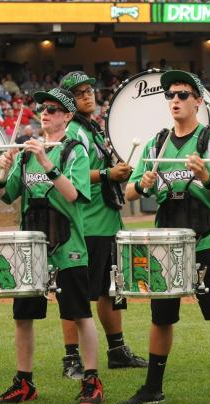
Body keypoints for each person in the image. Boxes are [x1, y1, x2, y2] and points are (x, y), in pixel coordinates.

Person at [119, 70, 210, 404]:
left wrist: (206, 177)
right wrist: (144, 183)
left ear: (197, 101)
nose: (175, 100)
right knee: (161, 317)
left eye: (182, 94)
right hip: (167, 246)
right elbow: (130, 191)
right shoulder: (156, 143)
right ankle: (153, 388)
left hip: (206, 242)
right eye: (170, 95)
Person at [0, 88, 103, 404]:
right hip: (32, 244)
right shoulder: (29, 152)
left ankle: (91, 380)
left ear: (68, 116)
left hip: (68, 242)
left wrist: (47, 163)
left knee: (79, 313)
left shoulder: (75, 150)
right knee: (23, 316)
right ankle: (24, 381)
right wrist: (4, 167)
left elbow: (73, 194)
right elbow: (7, 195)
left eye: (54, 109)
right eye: (43, 108)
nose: (45, 113)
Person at [59, 71, 147, 379]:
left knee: (112, 290)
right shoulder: (73, 131)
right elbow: (70, 177)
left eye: (89, 90)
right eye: (79, 93)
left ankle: (117, 351)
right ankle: (71, 358)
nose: (87, 95)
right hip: (88, 223)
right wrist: (110, 174)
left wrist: (115, 171)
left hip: (107, 221)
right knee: (78, 294)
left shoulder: (92, 128)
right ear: (68, 100)